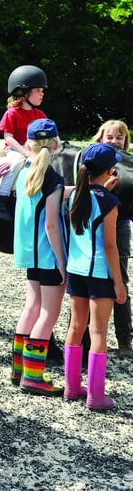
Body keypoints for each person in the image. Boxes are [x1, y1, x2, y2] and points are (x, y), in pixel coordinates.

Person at [65, 143, 126, 410]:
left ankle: (72, 387)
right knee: (98, 331)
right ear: (110, 170)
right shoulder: (110, 202)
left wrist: (102, 190)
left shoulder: (74, 196)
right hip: (100, 273)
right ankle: (96, 396)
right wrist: (119, 282)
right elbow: (110, 246)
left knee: (75, 328)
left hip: (75, 270)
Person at [9, 119, 67, 396]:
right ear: (56, 145)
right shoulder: (53, 178)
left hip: (28, 252)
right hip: (48, 254)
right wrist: (62, 262)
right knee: (48, 313)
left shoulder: (23, 172)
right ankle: (33, 377)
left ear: (28, 144)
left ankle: (18, 368)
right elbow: (52, 225)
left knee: (31, 307)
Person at [93, 120, 133, 358]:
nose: (114, 141)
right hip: (96, 225)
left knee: (121, 279)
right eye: (109, 136)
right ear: (100, 139)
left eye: (119, 137)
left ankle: (124, 337)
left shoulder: (127, 166)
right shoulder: (94, 164)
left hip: (120, 227)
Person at [0, 65, 48, 221]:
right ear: (24, 93)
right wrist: (24, 153)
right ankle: (2, 199)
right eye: (38, 91)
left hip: (35, 150)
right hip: (16, 150)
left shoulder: (40, 114)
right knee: (16, 163)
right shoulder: (12, 113)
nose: (42, 94)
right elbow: (8, 138)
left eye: (42, 91)